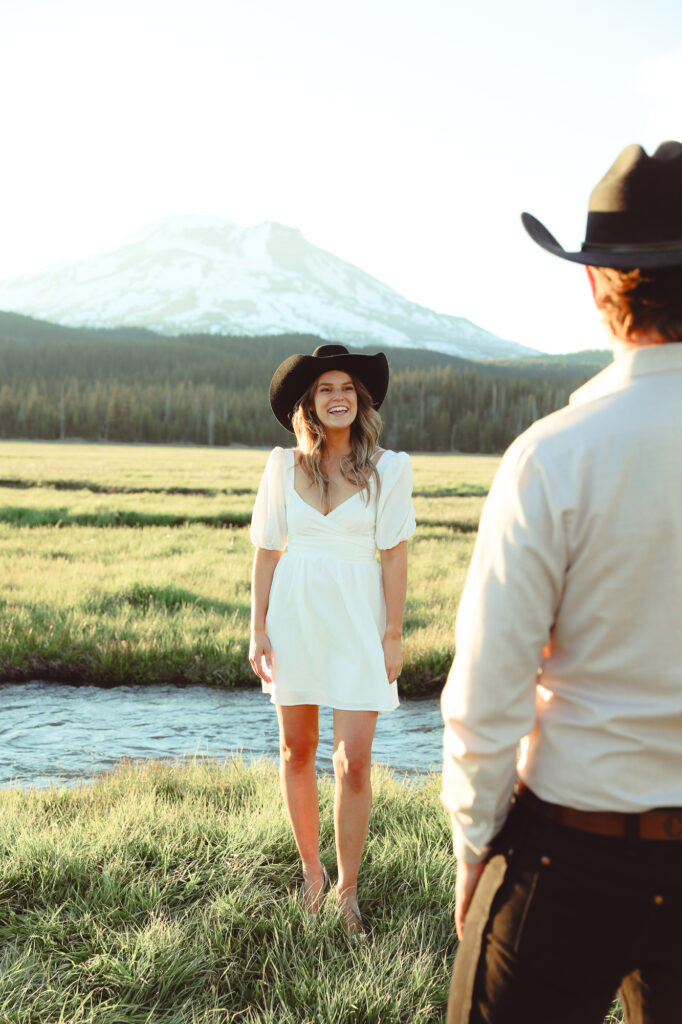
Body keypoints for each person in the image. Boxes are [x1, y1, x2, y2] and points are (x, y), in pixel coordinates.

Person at [441, 141, 682, 1024]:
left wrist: (476, 841)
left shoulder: (554, 455)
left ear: (598, 284)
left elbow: (490, 682)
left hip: (568, 854)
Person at [249, 342, 416, 933]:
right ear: (309, 404)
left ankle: (348, 890)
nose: (338, 397)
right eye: (325, 389)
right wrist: (257, 628)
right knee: (297, 749)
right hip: (295, 614)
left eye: (347, 388)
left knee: (355, 762)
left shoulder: (388, 469)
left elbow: (393, 557)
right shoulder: (281, 467)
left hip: (357, 618)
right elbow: (268, 553)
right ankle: (312, 873)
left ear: (361, 401)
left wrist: (392, 635)